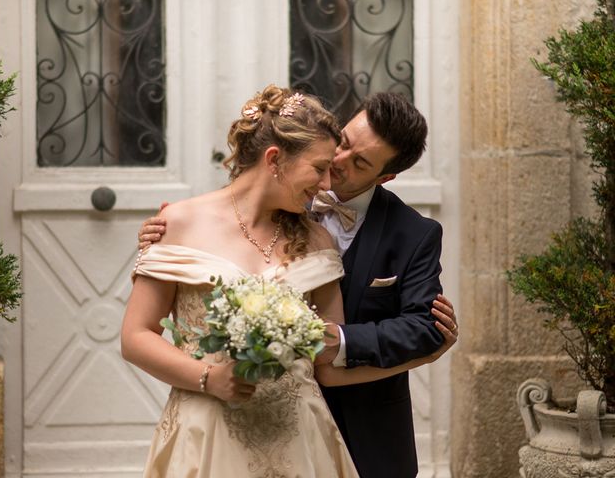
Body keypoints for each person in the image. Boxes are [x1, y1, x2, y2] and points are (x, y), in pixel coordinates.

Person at [123, 85, 455, 478]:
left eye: (358, 162)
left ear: (386, 176)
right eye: (336, 150)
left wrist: (426, 354)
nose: (333, 169)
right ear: (275, 159)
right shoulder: (180, 221)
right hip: (207, 430)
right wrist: (209, 378)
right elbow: (135, 335)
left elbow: (327, 365)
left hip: (310, 433)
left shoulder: (340, 239)